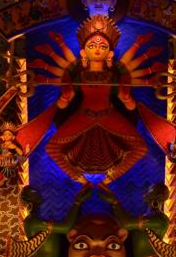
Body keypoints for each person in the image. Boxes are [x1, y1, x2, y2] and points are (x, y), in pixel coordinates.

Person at [46, 15, 147, 184]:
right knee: (52, 147)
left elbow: (129, 106)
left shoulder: (113, 76)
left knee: (140, 148)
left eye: (103, 46)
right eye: (92, 46)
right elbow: (64, 104)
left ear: (110, 53)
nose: (97, 49)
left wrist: (126, 98)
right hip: (84, 115)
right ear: (83, 52)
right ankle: (80, 179)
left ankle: (108, 180)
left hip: (108, 114)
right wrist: (65, 96)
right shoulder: (79, 76)